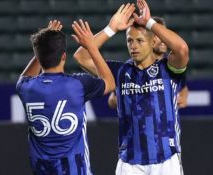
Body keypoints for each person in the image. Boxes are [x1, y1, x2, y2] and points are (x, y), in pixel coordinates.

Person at [73, 0, 189, 174]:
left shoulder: (167, 69)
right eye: (129, 41)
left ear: (152, 42)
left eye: (140, 40)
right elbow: (81, 57)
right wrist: (111, 29)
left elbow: (181, 48)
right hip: (130, 162)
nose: (133, 46)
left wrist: (149, 23)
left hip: (166, 159)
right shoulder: (119, 71)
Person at [16, 19, 115, 175]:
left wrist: (43, 49)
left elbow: (25, 76)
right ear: (64, 56)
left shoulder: (25, 87)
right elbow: (110, 82)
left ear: (38, 55)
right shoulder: (77, 84)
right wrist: (91, 46)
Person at [107, 16, 189, 110]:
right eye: (158, 35)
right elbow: (112, 99)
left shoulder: (171, 64)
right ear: (151, 39)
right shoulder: (128, 69)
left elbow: (183, 86)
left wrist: (183, 96)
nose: (163, 40)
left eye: (164, 35)